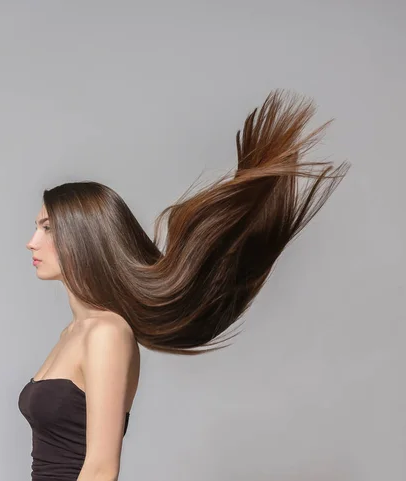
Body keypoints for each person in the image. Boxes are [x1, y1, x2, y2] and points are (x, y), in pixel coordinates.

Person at [18, 90, 350, 481]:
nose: (32, 241)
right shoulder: (73, 333)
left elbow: (102, 467)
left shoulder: (107, 333)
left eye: (47, 228)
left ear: (82, 238)